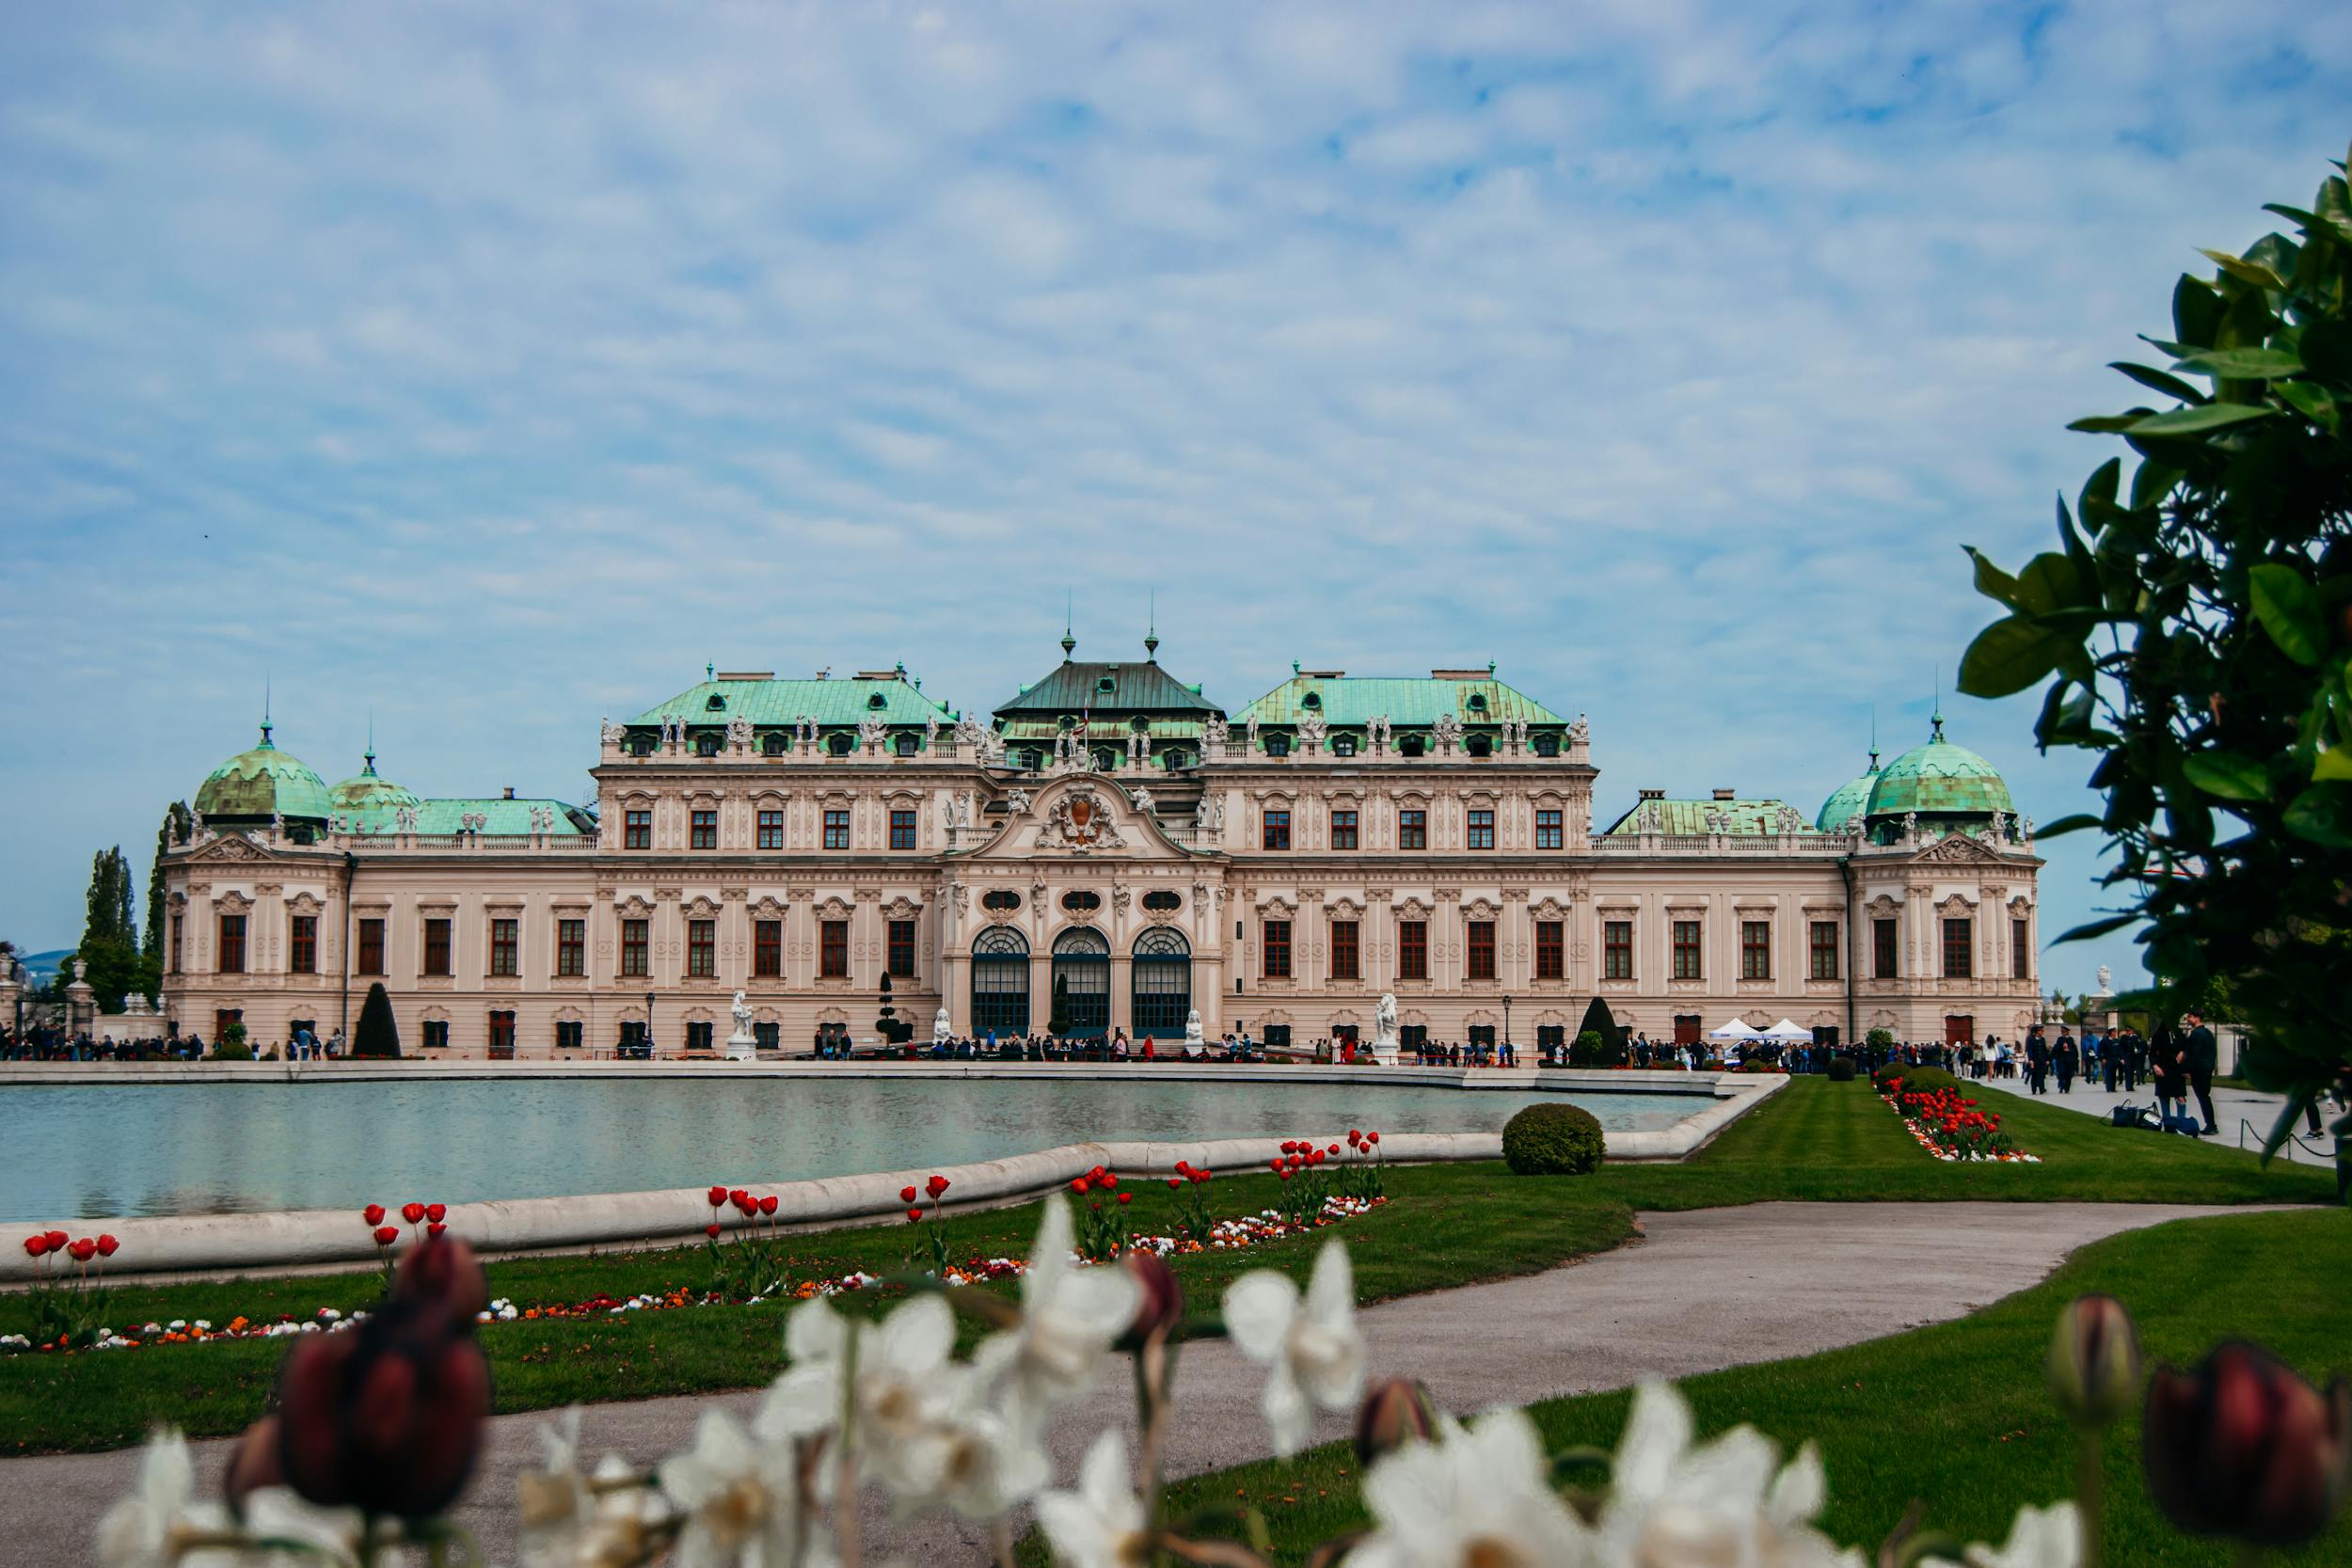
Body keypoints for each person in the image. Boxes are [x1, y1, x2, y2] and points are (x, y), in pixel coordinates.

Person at [2183, 1010, 2219, 1134]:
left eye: (2190, 1017)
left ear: (2197, 1018)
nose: (2187, 1019)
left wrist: (2187, 1069)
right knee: (2204, 1096)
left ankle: (2211, 1125)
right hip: (2206, 1069)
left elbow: (2194, 1054)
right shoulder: (2208, 1033)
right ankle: (2211, 1124)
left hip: (2199, 1070)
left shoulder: (2196, 1034)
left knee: (2203, 1097)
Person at [2053, 1029, 2077, 1094]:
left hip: (2069, 1060)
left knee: (2068, 1075)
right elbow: (2055, 1049)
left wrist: (2069, 1050)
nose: (2064, 1033)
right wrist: (2062, 1047)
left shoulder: (2071, 1039)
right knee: (2061, 1073)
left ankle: (2067, 1088)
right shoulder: (2060, 1039)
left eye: (2066, 1032)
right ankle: (2061, 1086)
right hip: (2061, 1060)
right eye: (2063, 1032)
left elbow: (2074, 1050)